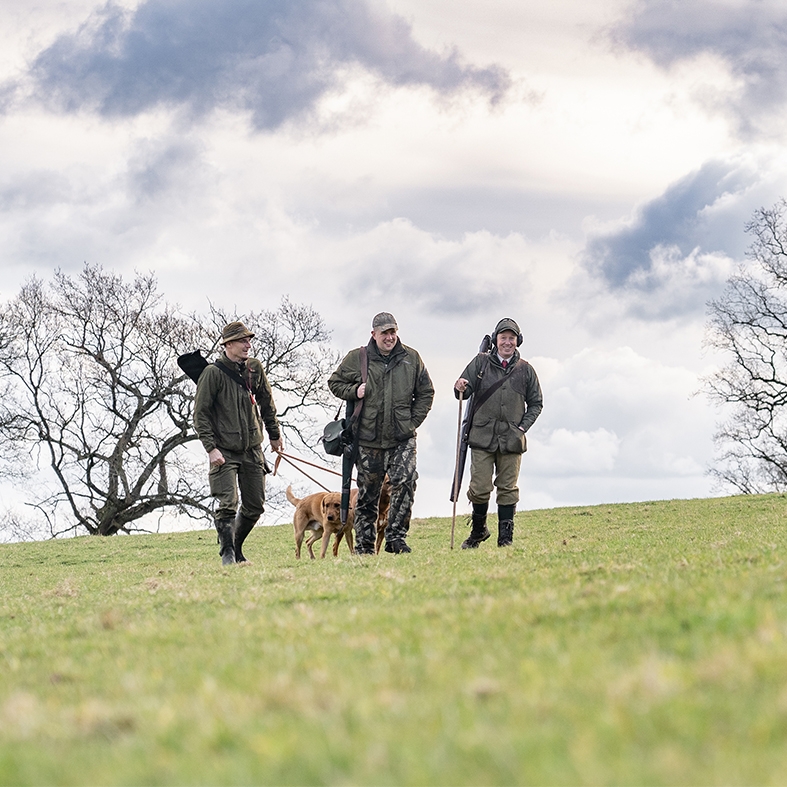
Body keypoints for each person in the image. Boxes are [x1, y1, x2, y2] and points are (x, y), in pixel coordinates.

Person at [328, 312, 434, 554]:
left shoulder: (411, 358)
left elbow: (426, 392)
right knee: (368, 494)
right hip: (368, 439)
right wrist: (355, 391)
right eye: (384, 332)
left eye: (393, 332)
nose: (390, 337)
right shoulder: (358, 358)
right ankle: (364, 545)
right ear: (373, 334)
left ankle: (396, 538)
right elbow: (334, 383)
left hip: (402, 438)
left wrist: (411, 422)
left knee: (406, 482)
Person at [193, 321, 283, 565]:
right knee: (228, 502)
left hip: (253, 449)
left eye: (249, 340)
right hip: (224, 451)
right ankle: (228, 554)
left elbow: (267, 403)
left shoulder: (255, 369)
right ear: (228, 345)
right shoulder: (212, 374)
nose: (248, 344)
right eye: (242, 341)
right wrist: (210, 448)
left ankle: (236, 546)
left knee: (255, 506)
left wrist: (274, 436)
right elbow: (200, 414)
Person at [454, 317, 543, 548]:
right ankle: (478, 531)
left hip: (512, 440)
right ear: (496, 340)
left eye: (511, 338)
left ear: (517, 341)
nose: (507, 342)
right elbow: (463, 389)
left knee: (508, 489)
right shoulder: (480, 363)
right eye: (503, 338)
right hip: (482, 438)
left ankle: (506, 539)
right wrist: (460, 386)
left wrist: (522, 427)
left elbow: (536, 403)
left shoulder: (526, 370)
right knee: (480, 488)